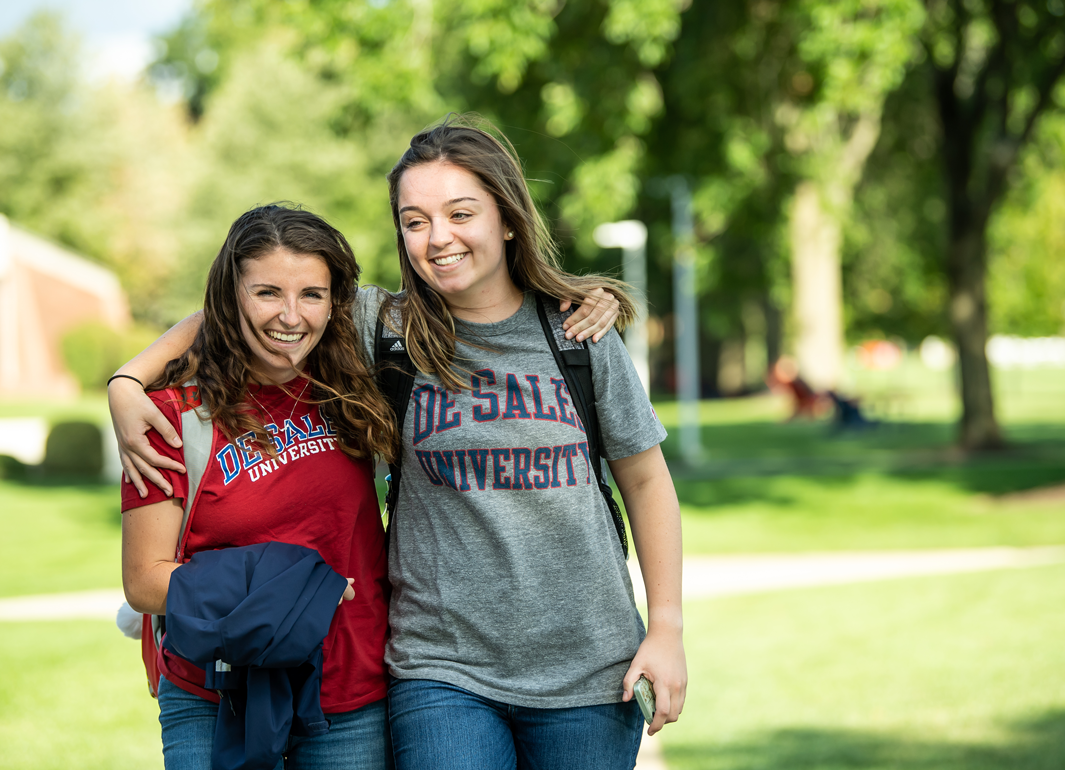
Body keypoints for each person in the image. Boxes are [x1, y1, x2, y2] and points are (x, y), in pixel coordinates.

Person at [112, 116, 684, 769]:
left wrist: (665, 627)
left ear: (507, 218)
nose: (437, 238)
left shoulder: (577, 336)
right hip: (440, 670)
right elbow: (250, 302)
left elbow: (645, 481)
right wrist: (128, 379)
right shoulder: (384, 330)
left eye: (459, 213)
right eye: (414, 221)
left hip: (590, 668)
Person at [119, 204, 398, 770]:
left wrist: (578, 296)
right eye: (267, 292)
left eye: (312, 295)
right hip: (217, 695)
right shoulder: (172, 415)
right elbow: (145, 583)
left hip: (348, 694)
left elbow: (478, 304)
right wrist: (292, 588)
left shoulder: (358, 388)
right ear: (231, 297)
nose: (291, 317)